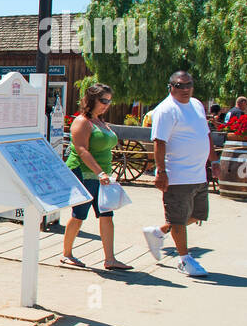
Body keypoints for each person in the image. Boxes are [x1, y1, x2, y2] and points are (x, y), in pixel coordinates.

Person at [142, 71, 217, 276]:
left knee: (197, 215)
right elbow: (159, 141)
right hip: (177, 174)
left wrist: (214, 160)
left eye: (188, 85)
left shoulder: (197, 105)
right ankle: (184, 260)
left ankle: (158, 232)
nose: (185, 89)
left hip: (199, 173)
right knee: (178, 218)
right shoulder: (166, 110)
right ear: (170, 86)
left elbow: (206, 134)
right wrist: (161, 172)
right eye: (179, 85)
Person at [60, 84, 132, 270]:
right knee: (79, 215)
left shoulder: (100, 121)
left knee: (107, 215)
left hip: (102, 175)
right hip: (84, 172)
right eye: (103, 100)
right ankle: (66, 254)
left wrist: (103, 173)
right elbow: (82, 150)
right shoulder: (82, 121)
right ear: (92, 100)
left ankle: (110, 259)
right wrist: (99, 172)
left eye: (109, 101)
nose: (107, 104)